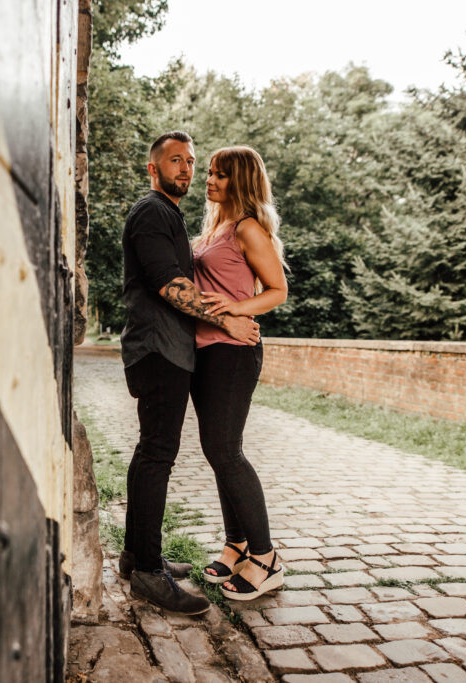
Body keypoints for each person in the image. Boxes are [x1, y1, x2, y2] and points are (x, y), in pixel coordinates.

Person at [119, 131, 261, 615]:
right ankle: (147, 573)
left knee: (150, 451)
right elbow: (171, 286)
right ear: (153, 168)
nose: (186, 168)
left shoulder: (169, 214)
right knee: (157, 455)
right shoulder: (152, 211)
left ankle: (138, 556)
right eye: (175, 160)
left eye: (191, 161)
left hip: (168, 349)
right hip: (158, 348)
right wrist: (229, 320)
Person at [193, 146, 288, 600]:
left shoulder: (248, 228)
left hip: (233, 351)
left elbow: (277, 290)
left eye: (220, 174)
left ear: (242, 181)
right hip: (205, 351)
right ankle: (237, 545)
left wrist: (235, 307)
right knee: (218, 451)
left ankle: (266, 559)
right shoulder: (215, 228)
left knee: (226, 451)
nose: (209, 180)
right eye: (210, 172)